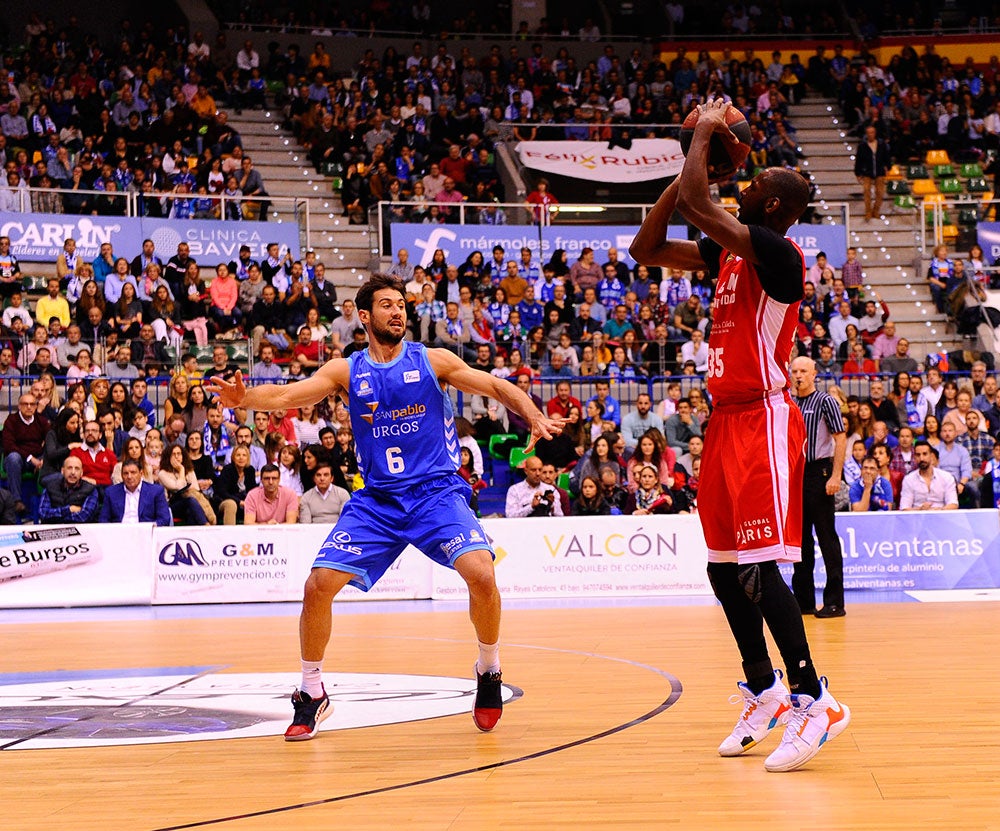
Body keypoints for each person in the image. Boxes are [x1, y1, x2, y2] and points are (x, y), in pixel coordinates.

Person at [207, 273, 566, 741]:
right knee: (317, 586)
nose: (398, 311)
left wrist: (532, 412)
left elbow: (496, 386)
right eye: (387, 305)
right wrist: (244, 399)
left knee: (481, 573)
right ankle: (312, 691)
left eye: (402, 304)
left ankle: (489, 668)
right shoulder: (345, 370)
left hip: (437, 493)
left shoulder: (431, 359)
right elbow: (288, 395)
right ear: (364, 315)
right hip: (378, 500)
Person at [630, 99, 849, 772]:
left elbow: (700, 202)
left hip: (763, 417)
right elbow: (646, 246)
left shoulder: (777, 253)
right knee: (723, 572)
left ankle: (816, 697)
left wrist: (701, 138)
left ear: (777, 209)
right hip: (723, 421)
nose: (745, 185)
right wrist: (691, 167)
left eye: (755, 185)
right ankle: (764, 689)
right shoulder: (726, 254)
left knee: (758, 570)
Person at [790, 357, 847, 618]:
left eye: (803, 371)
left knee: (826, 538)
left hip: (819, 471)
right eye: (794, 371)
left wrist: (835, 475)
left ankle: (835, 602)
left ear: (814, 374)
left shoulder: (826, 401)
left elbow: (840, 438)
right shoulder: (787, 402)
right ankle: (803, 601)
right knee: (799, 541)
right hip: (794, 473)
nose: (798, 375)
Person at [2, 392, 50, 516]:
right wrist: (30, 458)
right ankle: (16, 501)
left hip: (37, 457)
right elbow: (9, 446)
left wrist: (44, 458)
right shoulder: (11, 420)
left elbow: (51, 441)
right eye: (25, 404)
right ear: (19, 406)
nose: (29, 407)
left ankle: (45, 507)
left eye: (32, 404)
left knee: (50, 460)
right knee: (13, 458)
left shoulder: (42, 421)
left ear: (36, 406)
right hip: (17, 458)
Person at [99, 459, 173, 526]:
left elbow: (164, 519)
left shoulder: (155, 491)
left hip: (145, 534)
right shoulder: (111, 492)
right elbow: (103, 520)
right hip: (119, 534)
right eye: (125, 473)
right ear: (122, 475)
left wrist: (150, 528)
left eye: (133, 472)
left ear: (141, 473)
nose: (129, 476)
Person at [38, 455, 100, 524]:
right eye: (69, 468)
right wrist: (68, 509)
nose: (73, 472)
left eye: (77, 469)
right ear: (62, 471)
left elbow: (84, 517)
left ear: (81, 473)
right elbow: (43, 513)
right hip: (54, 531)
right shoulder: (50, 487)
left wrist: (56, 518)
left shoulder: (90, 489)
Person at [899, 442, 959, 510]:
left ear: (931, 456)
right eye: (918, 455)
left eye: (925, 454)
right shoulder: (908, 479)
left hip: (942, 517)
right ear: (914, 457)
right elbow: (904, 508)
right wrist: (920, 510)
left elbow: (953, 504)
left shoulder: (947, 477)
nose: (921, 458)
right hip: (917, 518)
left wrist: (940, 510)